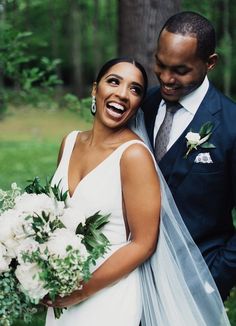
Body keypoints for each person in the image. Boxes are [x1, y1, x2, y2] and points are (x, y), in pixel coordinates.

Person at [44, 58, 230, 325]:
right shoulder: (70, 141)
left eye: (135, 89)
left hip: (109, 296)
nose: (122, 93)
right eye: (114, 81)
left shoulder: (134, 155)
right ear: (95, 89)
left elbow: (144, 243)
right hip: (63, 287)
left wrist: (81, 291)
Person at [140, 11, 236, 302]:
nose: (167, 78)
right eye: (160, 64)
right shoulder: (144, 104)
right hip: (136, 277)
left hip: (197, 280)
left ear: (210, 63)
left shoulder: (231, 125)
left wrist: (216, 277)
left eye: (180, 70)